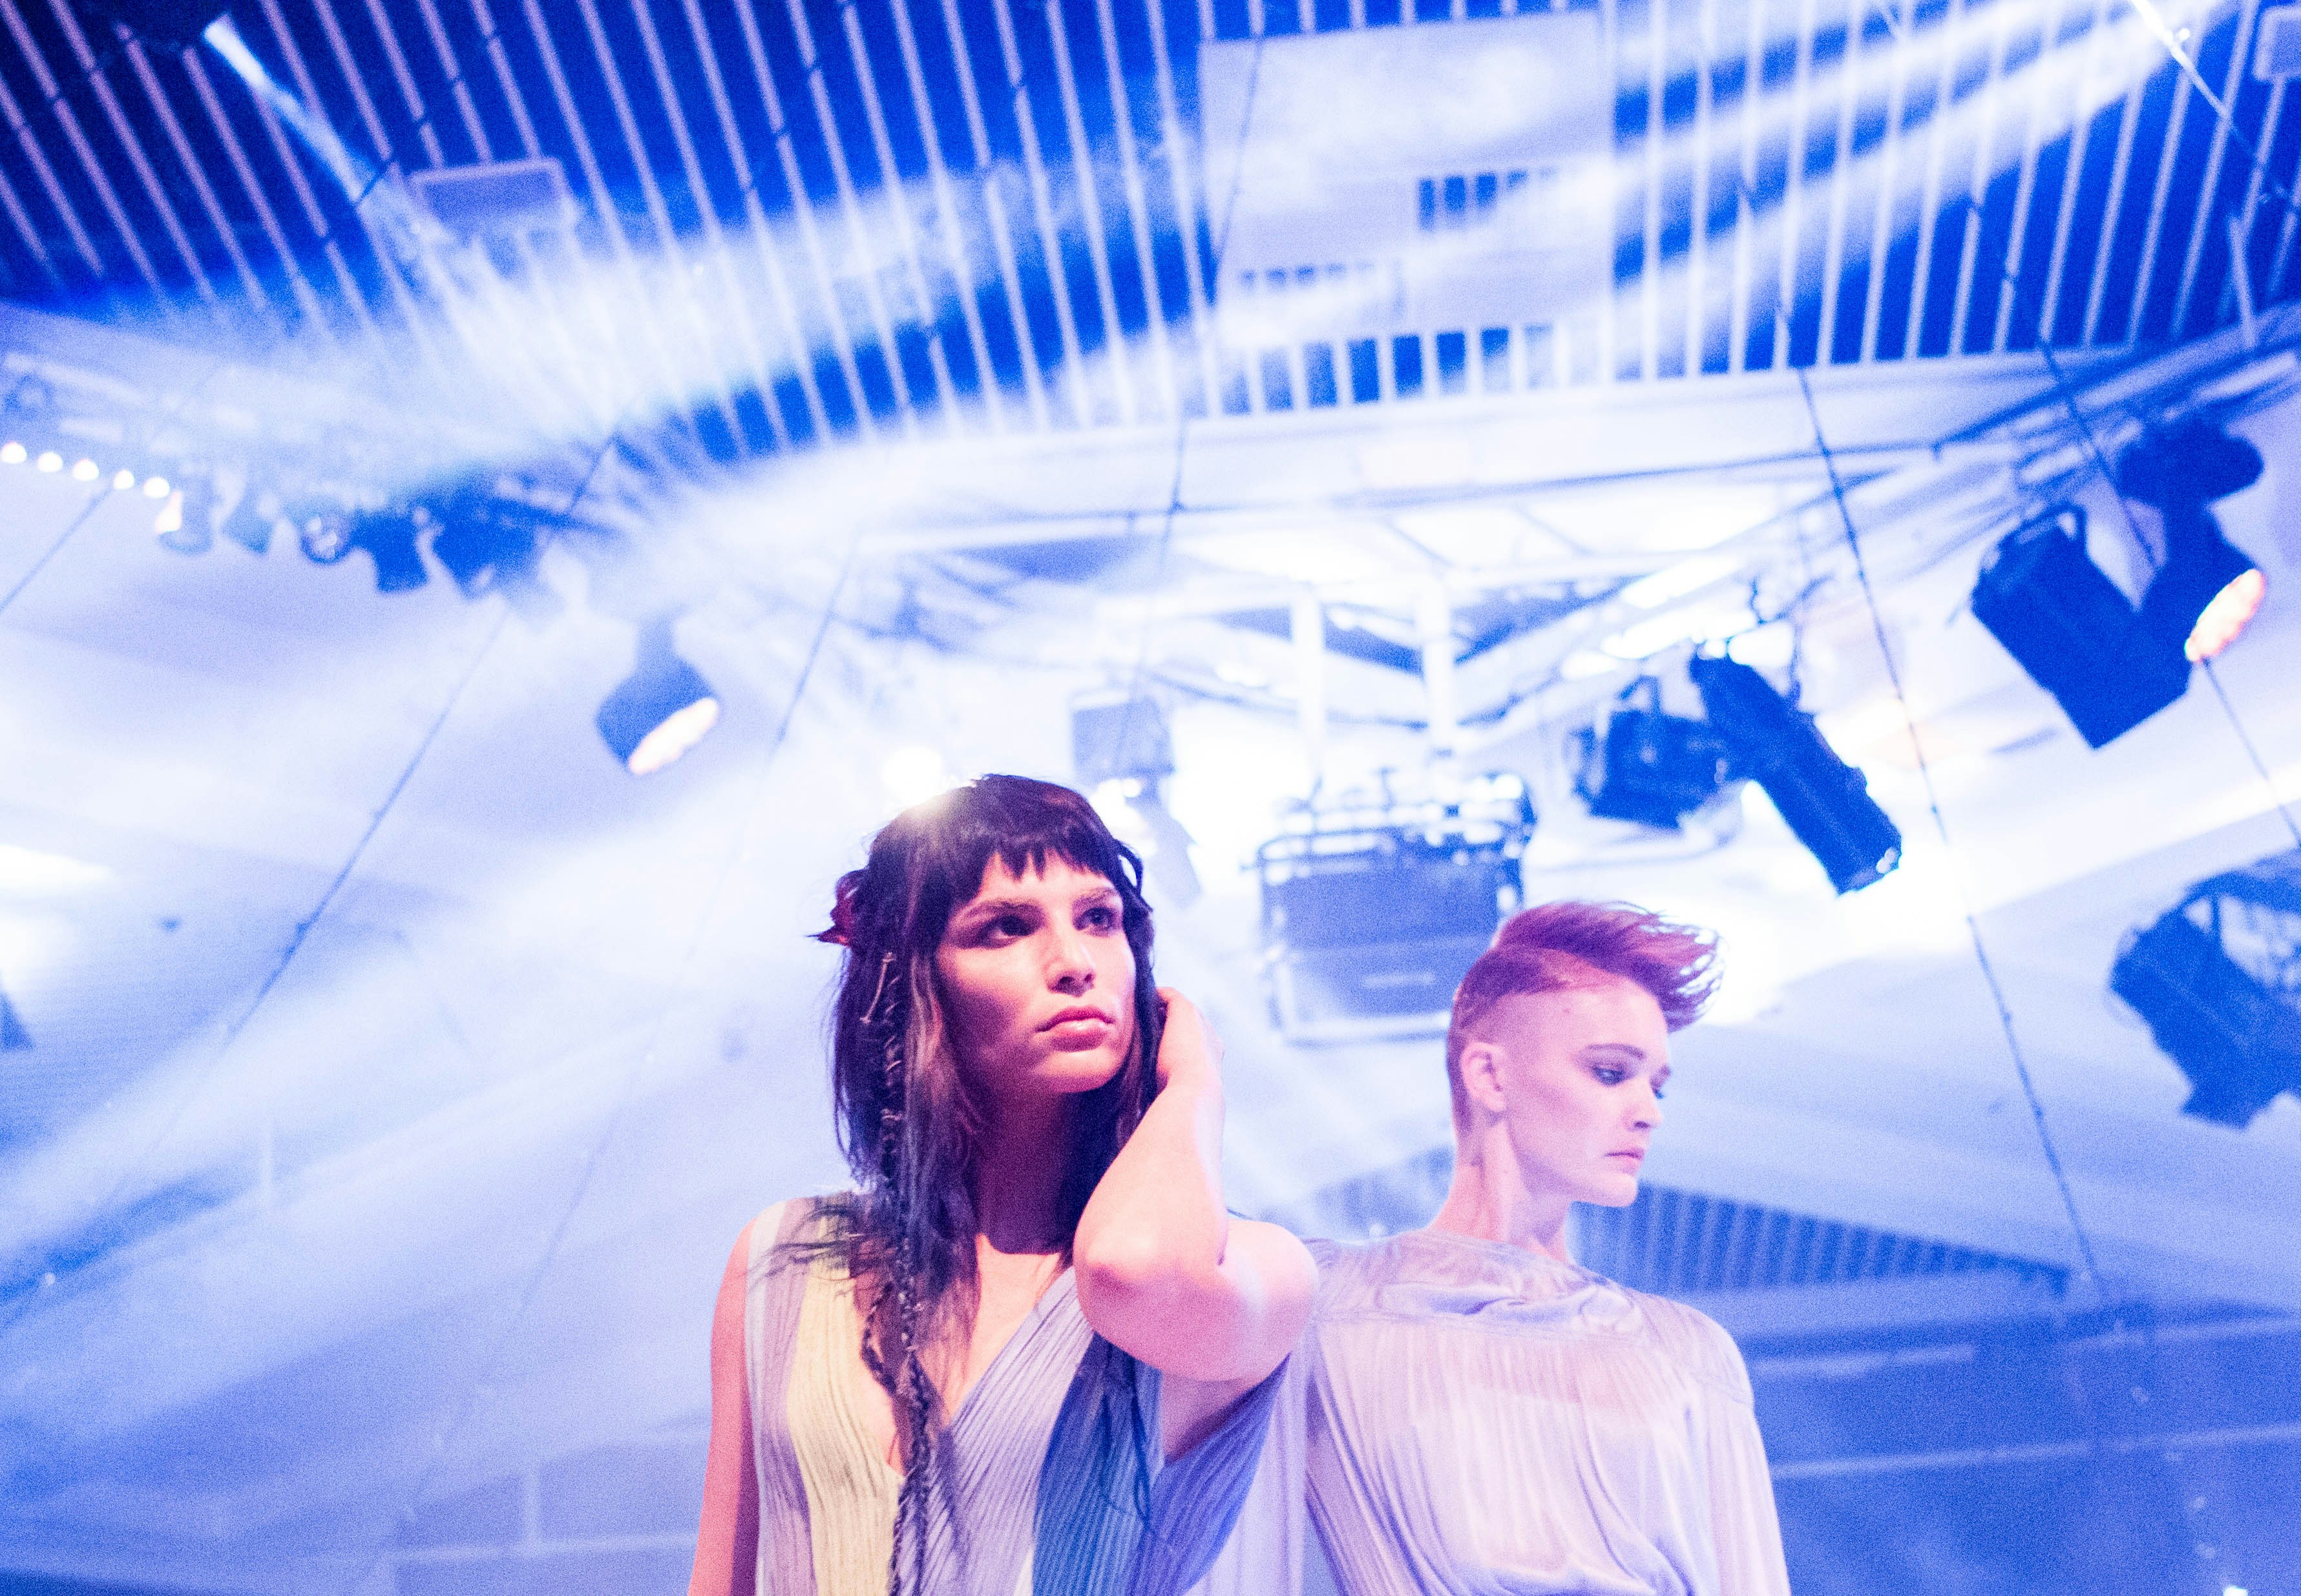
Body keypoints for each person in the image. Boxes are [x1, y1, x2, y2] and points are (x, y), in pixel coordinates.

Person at [687, 774, 1316, 1596]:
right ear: (915, 983)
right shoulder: (784, 1259)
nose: (1074, 963)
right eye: (1007, 928)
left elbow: (1131, 1268)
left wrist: (1194, 1078)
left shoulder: (1254, 1266)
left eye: (1099, 918)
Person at [1302, 901, 1791, 1596]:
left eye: (1656, 1085)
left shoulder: (1686, 1351)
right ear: (1490, 1076)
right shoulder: (1327, 1303)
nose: (1650, 1112)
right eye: (1612, 1072)